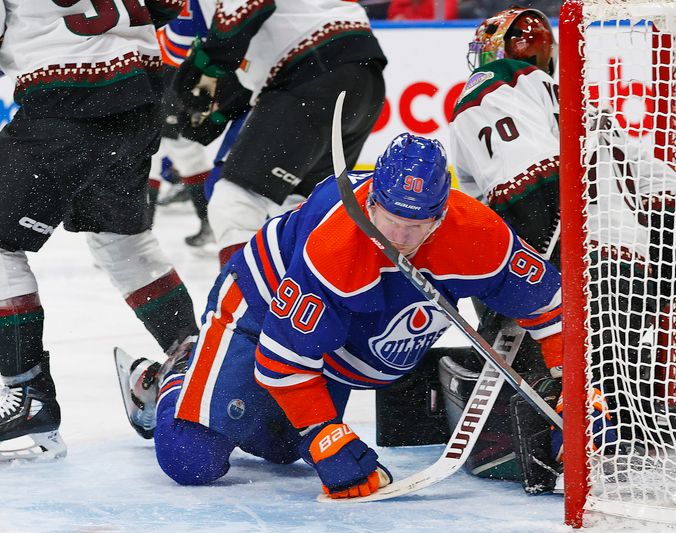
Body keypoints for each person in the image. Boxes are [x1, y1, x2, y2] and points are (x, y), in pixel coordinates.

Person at [117, 133, 566, 498]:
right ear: (370, 200)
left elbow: (552, 309)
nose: (400, 238)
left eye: (418, 226)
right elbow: (284, 362)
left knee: (281, 448)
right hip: (258, 309)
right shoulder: (333, 247)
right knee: (191, 458)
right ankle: (177, 369)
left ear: (443, 212)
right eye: (390, 220)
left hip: (337, 340)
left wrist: (573, 387)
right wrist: (324, 434)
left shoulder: (478, 234)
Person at [448, 6, 676, 490]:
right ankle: (629, 401)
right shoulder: (583, 105)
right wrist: (665, 286)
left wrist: (527, 288)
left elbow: (533, 184)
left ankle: (565, 428)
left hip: (570, 280)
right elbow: (675, 199)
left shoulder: (491, 87)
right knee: (605, 360)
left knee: (532, 395)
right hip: (632, 280)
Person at [0, 1, 199, 461]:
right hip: (141, 99)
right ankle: (195, 359)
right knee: (123, 242)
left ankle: (26, 394)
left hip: (65, 100)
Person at [173, 0, 387, 267]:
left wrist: (205, 67)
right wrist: (220, 106)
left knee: (235, 204)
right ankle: (309, 299)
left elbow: (242, 16)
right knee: (300, 213)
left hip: (314, 73)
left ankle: (244, 301)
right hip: (363, 81)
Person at [147, 0, 218, 251]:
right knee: (179, 150)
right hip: (197, 67)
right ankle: (211, 223)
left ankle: (137, 235)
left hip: (176, 68)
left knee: (153, 150)